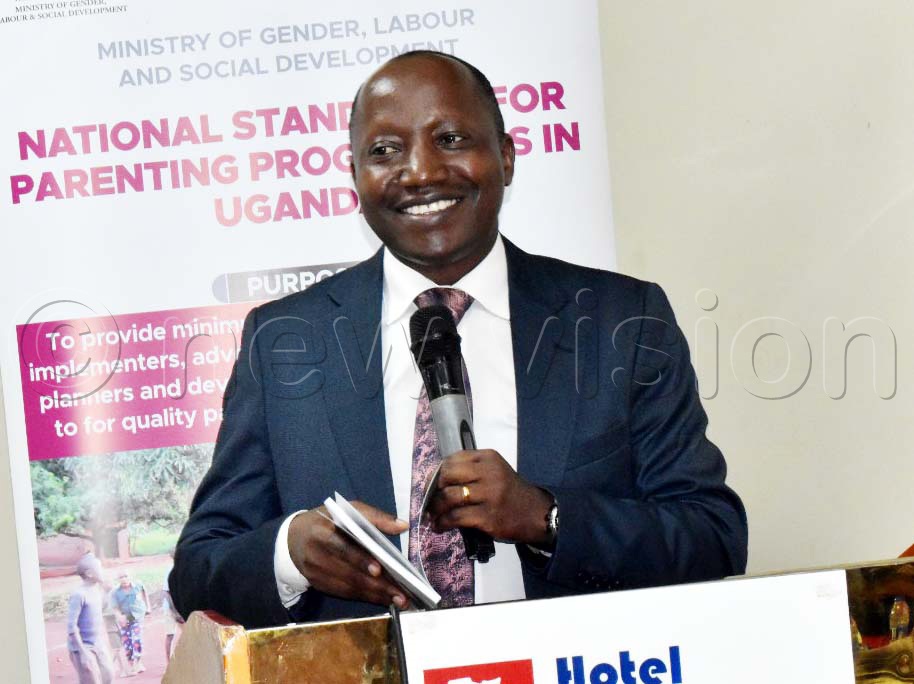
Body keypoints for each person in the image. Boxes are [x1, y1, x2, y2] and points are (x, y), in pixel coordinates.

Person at [171, 50, 748, 628]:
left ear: (506, 155)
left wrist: (546, 518)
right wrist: (291, 554)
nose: (420, 172)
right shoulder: (284, 339)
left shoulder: (622, 320)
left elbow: (712, 535)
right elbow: (198, 568)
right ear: (355, 176)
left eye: (449, 138)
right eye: (384, 151)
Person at [67, 553, 115, 684]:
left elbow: (101, 609)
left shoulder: (96, 589)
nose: (103, 572)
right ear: (89, 574)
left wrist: (107, 592)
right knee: (91, 680)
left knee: (109, 675)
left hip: (97, 643)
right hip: (82, 646)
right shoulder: (79, 594)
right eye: (100, 568)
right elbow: (71, 627)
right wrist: (83, 653)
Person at [109, 571, 150, 675]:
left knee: (136, 639)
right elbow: (115, 608)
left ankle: (138, 662)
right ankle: (132, 665)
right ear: (118, 580)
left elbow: (145, 593)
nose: (124, 579)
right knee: (127, 643)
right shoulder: (115, 592)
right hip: (125, 618)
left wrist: (147, 607)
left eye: (125, 576)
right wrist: (119, 616)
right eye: (121, 577)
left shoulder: (138, 585)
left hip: (137, 616)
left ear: (130, 577)